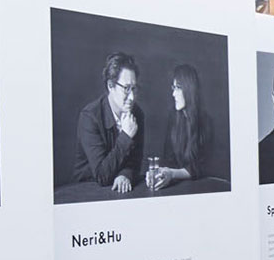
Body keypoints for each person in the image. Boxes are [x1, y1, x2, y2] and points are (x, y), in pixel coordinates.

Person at [71, 52, 145, 194]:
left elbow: (135, 161)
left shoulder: (137, 114)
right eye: (126, 88)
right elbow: (101, 175)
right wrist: (126, 136)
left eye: (134, 88)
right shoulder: (90, 116)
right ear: (111, 85)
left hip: (120, 188)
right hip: (88, 189)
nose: (132, 97)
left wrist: (125, 175)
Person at [149, 63, 212, 189]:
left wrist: (171, 173)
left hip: (200, 187)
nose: (173, 94)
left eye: (178, 88)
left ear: (189, 89)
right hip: (178, 185)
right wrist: (161, 174)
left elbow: (199, 168)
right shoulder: (174, 118)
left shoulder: (205, 122)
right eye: (173, 88)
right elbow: (168, 160)